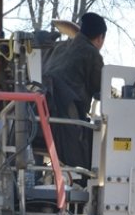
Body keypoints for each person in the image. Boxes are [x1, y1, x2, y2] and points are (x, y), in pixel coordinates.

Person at [43, 12, 107, 170]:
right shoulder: (91, 54)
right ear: (100, 37)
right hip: (65, 112)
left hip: (41, 110)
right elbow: (102, 87)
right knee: (88, 155)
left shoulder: (60, 47)